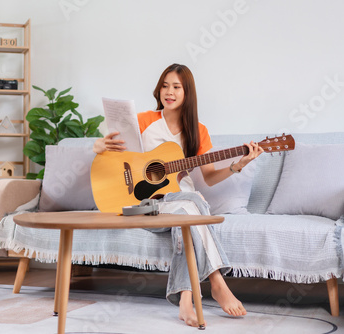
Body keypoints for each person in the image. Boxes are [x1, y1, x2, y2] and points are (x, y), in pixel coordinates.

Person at [93, 63, 263, 327]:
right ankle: (217, 282)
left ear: (187, 93)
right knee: (195, 204)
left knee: (190, 206)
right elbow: (113, 154)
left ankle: (186, 300)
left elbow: (208, 177)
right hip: (146, 204)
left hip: (181, 205)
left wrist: (237, 165)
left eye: (176, 87)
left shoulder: (198, 130)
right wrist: (99, 145)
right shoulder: (143, 121)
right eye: (164, 85)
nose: (168, 92)